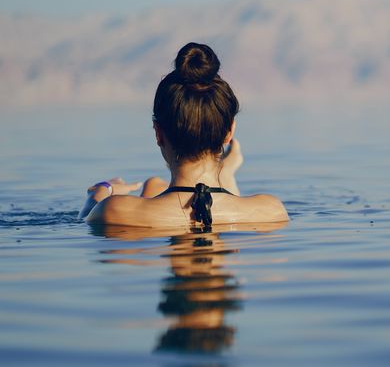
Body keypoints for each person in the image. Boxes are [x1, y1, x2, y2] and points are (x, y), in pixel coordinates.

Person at [81, 42, 288, 228]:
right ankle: (225, 173)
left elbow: (88, 217)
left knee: (153, 185)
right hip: (230, 207)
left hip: (154, 212)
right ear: (229, 133)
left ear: (158, 133)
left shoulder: (113, 210)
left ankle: (225, 172)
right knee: (154, 184)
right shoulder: (271, 210)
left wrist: (100, 191)